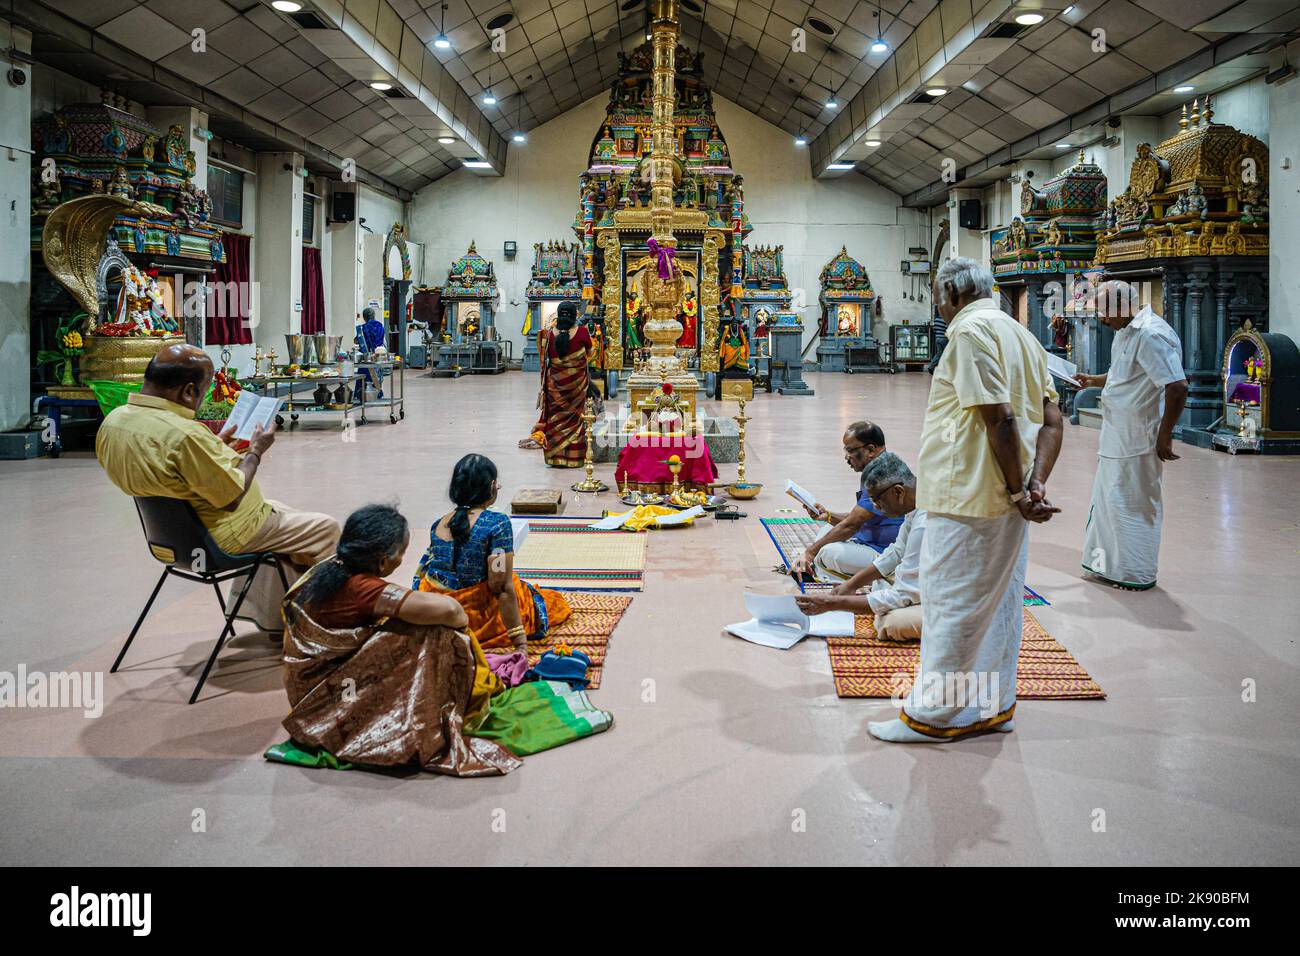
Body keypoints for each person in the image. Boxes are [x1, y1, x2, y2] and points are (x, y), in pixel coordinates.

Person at [868, 257, 1064, 744]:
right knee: (998, 607)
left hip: (968, 499)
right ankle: (990, 707)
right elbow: (1052, 419)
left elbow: (999, 418)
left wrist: (1021, 489)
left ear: (953, 292)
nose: (936, 305)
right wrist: (1034, 484)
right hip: (1004, 499)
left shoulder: (970, 334)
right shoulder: (1022, 335)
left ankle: (934, 717)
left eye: (937, 295)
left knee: (952, 606)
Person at [96, 343, 340, 632]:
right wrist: (255, 452)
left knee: (286, 518)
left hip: (172, 535)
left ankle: (273, 621)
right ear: (188, 391)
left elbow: (171, 476)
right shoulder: (184, 435)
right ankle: (319, 629)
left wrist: (215, 447)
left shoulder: (114, 421)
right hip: (221, 536)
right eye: (203, 390)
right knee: (326, 528)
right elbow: (232, 497)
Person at [281, 504, 520, 776]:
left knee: (413, 620)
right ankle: (427, 721)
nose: (402, 560)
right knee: (438, 635)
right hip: (328, 699)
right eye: (401, 554)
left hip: (305, 684)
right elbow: (453, 611)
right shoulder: (364, 589)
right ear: (383, 561)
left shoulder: (327, 569)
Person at [1076, 280, 1187, 590]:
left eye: (1104, 311)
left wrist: (1165, 435)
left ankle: (1136, 574)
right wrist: (1093, 381)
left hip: (1139, 439)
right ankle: (1109, 568)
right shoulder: (1126, 331)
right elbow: (1125, 374)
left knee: (1133, 505)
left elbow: (1177, 386)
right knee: (1111, 503)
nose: (1101, 318)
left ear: (1123, 307)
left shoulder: (1151, 334)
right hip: (1117, 436)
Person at [414, 454, 571, 650]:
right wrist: (520, 641)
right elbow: (500, 586)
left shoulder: (439, 523)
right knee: (550, 602)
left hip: (438, 615)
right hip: (475, 620)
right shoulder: (497, 524)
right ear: (492, 486)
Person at [795, 452, 926, 642]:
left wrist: (833, 603)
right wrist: (851, 585)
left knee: (894, 624)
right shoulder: (914, 503)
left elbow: (904, 593)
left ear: (898, 492)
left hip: (954, 595)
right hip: (919, 577)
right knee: (882, 586)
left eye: (877, 501)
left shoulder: (925, 523)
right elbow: (896, 552)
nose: (875, 507)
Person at [791, 421, 903, 582]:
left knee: (827, 553)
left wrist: (810, 552)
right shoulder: (882, 466)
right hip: (869, 540)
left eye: (850, 450)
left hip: (887, 554)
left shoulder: (881, 476)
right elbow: (856, 518)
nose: (847, 457)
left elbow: (852, 525)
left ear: (870, 450)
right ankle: (818, 566)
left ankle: (874, 578)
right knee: (827, 531)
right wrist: (828, 515)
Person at [523, 301, 593, 467]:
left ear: (559, 314)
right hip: (576, 388)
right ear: (575, 316)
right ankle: (573, 459)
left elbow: (545, 360)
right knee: (575, 420)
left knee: (555, 419)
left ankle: (555, 457)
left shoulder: (547, 335)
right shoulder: (582, 332)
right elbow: (590, 353)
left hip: (555, 387)